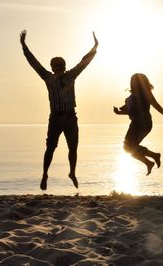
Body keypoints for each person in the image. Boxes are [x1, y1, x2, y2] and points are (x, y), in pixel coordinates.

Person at [20, 29, 98, 190]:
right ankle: (44, 175)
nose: (58, 67)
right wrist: (24, 46)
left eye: (60, 65)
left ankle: (72, 173)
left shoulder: (71, 75)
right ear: (52, 67)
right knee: (50, 147)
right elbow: (34, 63)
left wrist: (95, 47)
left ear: (64, 66)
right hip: (55, 118)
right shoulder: (47, 77)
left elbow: (84, 62)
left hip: (70, 117)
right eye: (55, 65)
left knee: (73, 148)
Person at [113, 73, 163, 175]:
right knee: (128, 148)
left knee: (128, 147)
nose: (134, 83)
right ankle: (149, 161)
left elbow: (154, 103)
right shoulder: (132, 96)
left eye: (137, 81)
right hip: (135, 122)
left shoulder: (145, 93)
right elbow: (132, 111)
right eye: (132, 81)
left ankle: (153, 157)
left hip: (143, 122)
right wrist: (119, 112)